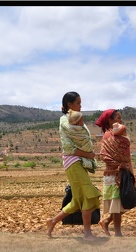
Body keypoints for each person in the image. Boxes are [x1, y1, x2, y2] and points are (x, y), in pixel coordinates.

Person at [46, 91, 101, 241]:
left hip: (78, 163)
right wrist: (88, 154)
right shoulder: (66, 122)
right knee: (88, 196)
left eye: (80, 103)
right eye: (78, 103)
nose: (80, 106)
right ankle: (87, 233)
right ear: (69, 105)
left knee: (78, 200)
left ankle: (53, 221)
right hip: (74, 162)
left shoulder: (73, 120)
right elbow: (70, 147)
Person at [95, 109, 136, 237]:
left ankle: (107, 221)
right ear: (110, 121)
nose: (121, 120)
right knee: (118, 204)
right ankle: (118, 233)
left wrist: (132, 173)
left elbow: (127, 157)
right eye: (118, 118)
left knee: (127, 201)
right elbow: (104, 155)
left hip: (124, 172)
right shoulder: (107, 136)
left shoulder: (123, 137)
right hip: (113, 174)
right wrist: (119, 165)